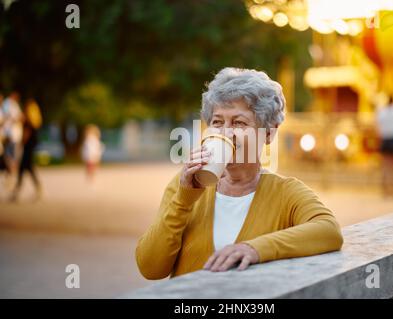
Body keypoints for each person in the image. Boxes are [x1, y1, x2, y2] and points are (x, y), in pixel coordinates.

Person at [135, 67, 343, 279]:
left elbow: (329, 231)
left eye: (239, 123)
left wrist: (254, 249)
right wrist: (183, 200)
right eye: (217, 122)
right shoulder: (184, 185)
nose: (225, 133)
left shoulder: (286, 193)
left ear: (269, 133)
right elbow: (150, 268)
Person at [10, 99, 43, 202]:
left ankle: (17, 191)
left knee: (24, 167)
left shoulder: (28, 120)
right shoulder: (35, 119)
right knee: (27, 167)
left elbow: (26, 134)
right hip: (31, 145)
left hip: (28, 145)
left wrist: (21, 142)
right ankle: (35, 188)